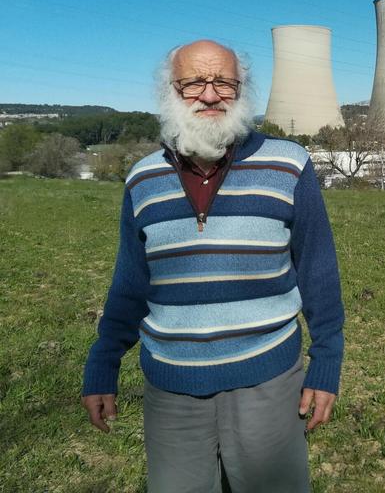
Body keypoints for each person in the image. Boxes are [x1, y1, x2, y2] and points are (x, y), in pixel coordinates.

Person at [81, 40, 344, 493]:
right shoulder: (143, 178)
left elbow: (318, 271)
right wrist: (103, 362)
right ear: (170, 91)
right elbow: (130, 281)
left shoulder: (288, 165)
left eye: (223, 81)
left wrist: (326, 363)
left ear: (241, 91)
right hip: (171, 386)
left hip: (268, 377)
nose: (209, 94)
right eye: (193, 83)